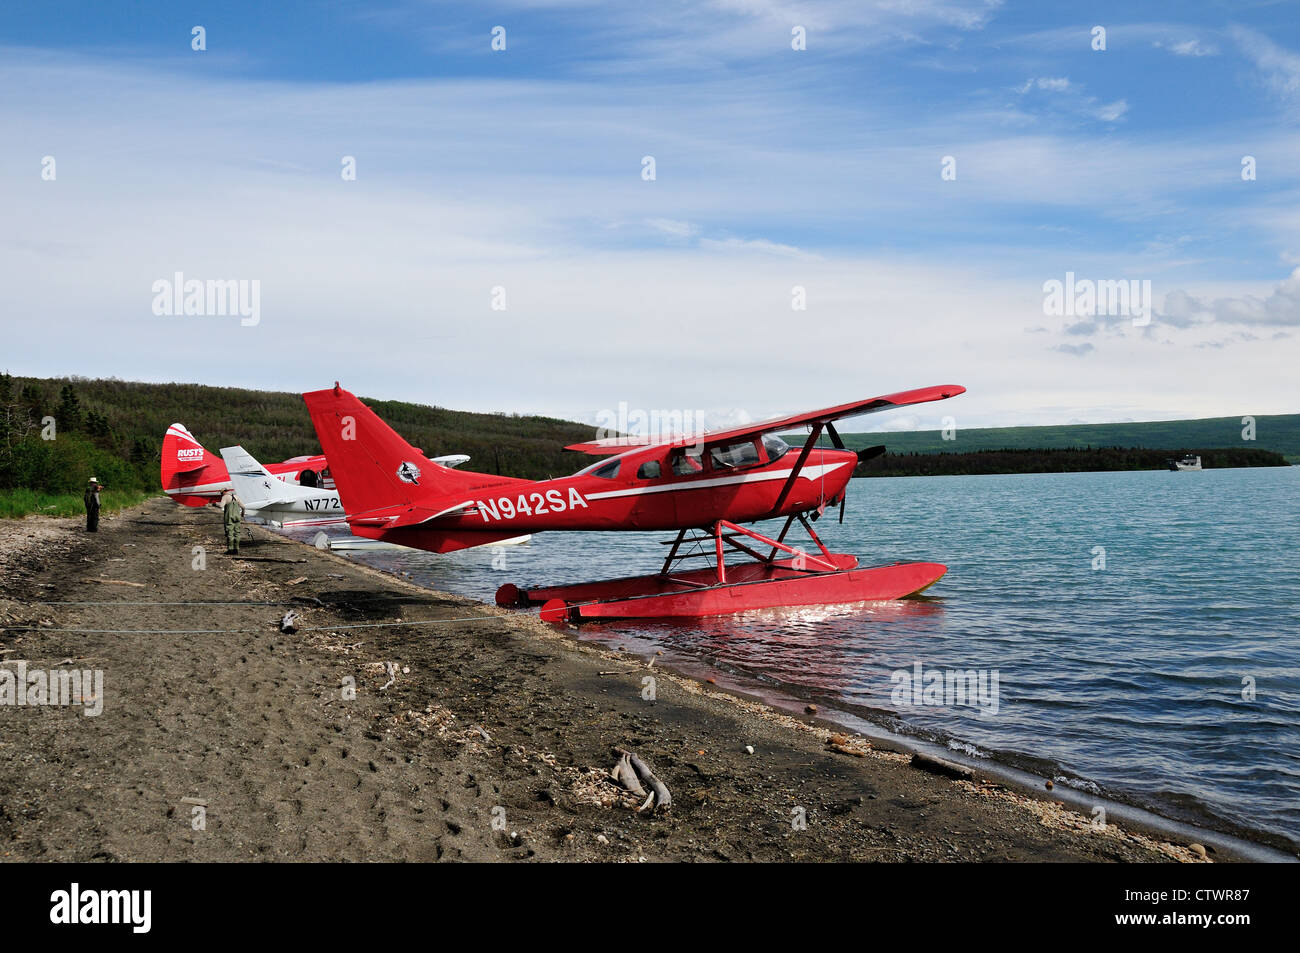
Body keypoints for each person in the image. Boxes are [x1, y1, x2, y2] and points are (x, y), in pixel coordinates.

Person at [221, 489, 245, 555]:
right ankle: (236, 549)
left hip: (229, 517)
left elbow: (221, 506)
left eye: (221, 493)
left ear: (224, 492)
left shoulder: (225, 497)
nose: (221, 495)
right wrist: (242, 513)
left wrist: (216, 504)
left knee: (230, 533)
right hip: (237, 517)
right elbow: (243, 506)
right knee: (237, 533)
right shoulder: (236, 497)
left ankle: (230, 550)